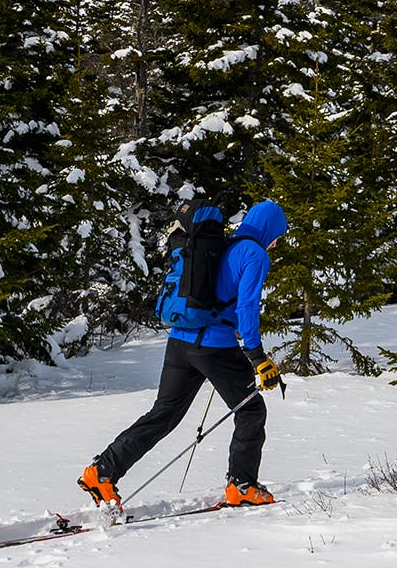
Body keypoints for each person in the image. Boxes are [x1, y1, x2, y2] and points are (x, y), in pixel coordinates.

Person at [80, 199, 289, 508]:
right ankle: (242, 486)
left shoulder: (224, 244)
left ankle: (102, 471)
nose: (275, 243)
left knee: (164, 414)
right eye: (277, 236)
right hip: (214, 347)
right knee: (251, 410)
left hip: (179, 342)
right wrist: (258, 358)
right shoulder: (254, 254)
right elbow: (247, 309)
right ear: (268, 229)